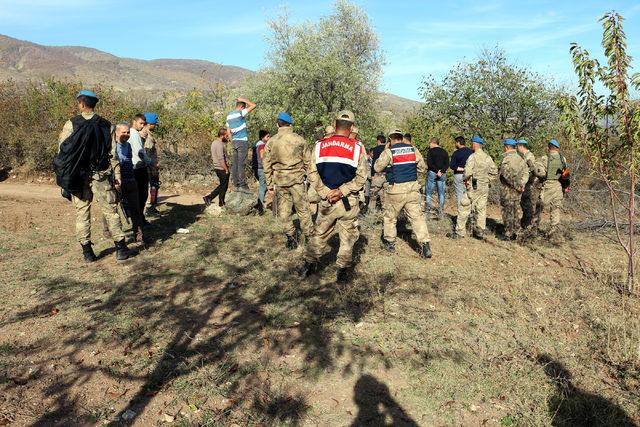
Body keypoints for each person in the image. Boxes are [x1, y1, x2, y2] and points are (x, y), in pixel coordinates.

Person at [56, 90, 132, 261]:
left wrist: (65, 179)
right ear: (94, 104)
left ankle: (87, 253)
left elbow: (62, 152)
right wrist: (117, 175)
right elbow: (113, 154)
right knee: (111, 211)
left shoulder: (71, 124)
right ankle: (120, 248)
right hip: (102, 176)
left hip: (79, 177)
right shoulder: (106, 125)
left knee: (82, 213)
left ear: (82, 104)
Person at [300, 110, 367, 282]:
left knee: (320, 233)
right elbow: (361, 178)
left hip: (327, 201)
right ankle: (343, 271)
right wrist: (342, 191)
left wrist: (325, 192)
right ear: (351, 127)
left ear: (334, 124)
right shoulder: (357, 148)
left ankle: (308, 265)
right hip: (348, 202)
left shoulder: (320, 145)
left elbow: (311, 172)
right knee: (348, 236)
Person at [374, 130, 432, 258]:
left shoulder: (390, 151)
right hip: (412, 189)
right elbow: (422, 168)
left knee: (390, 217)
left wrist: (385, 151)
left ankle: (389, 243)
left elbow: (377, 167)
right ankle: (425, 244)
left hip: (396, 190)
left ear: (390, 139)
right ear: (401, 138)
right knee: (417, 217)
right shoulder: (413, 149)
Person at [262, 112, 314, 249]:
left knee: (284, 212)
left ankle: (291, 237)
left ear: (277, 124)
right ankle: (308, 236)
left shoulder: (271, 142)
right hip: (297, 181)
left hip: (280, 181)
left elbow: (266, 165)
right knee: (303, 210)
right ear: (290, 124)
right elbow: (309, 162)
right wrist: (312, 180)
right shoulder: (299, 140)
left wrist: (269, 185)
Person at [448, 136, 498, 240]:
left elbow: (467, 172)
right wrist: (487, 180)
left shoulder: (473, 157)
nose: (471, 145)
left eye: (472, 144)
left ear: (475, 144)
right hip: (484, 187)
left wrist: (466, 180)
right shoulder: (487, 157)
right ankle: (480, 231)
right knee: (481, 209)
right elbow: (494, 172)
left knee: (464, 206)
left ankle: (460, 232)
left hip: (474, 185)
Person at [111, 123, 145, 242]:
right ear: (116, 132)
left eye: (128, 132)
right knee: (112, 208)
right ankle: (108, 230)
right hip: (116, 182)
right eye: (123, 132)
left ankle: (138, 234)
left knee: (135, 208)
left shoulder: (129, 145)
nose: (126, 135)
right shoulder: (112, 147)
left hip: (130, 180)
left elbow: (129, 162)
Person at [533, 139, 565, 237]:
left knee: (539, 206)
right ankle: (554, 230)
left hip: (548, 185)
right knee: (555, 208)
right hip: (559, 186)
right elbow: (564, 172)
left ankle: (534, 227)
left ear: (548, 148)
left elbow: (541, 173)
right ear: (557, 148)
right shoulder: (563, 158)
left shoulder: (544, 158)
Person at [498, 139, 529, 241]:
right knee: (516, 210)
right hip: (518, 190)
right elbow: (526, 173)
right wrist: (522, 184)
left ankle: (508, 233)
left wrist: (516, 185)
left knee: (507, 211)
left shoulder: (506, 159)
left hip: (508, 189)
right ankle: (516, 232)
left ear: (506, 147)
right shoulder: (521, 159)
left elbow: (505, 174)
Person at [129, 113, 156, 225]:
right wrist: (151, 163)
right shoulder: (134, 134)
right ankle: (139, 220)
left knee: (142, 195)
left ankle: (140, 218)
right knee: (141, 195)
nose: (142, 126)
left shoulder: (135, 133)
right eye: (140, 123)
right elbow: (140, 152)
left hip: (137, 167)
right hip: (137, 168)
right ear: (134, 121)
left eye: (143, 124)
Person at [225, 97, 257, 191]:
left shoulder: (229, 116)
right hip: (242, 141)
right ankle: (242, 184)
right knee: (241, 163)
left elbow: (228, 131)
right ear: (242, 107)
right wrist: (243, 99)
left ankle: (236, 183)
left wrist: (233, 141)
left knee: (235, 163)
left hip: (234, 141)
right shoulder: (240, 113)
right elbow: (254, 105)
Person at [203, 128, 230, 207]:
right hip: (221, 168)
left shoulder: (215, 142)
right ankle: (220, 203)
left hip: (218, 167)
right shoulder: (219, 144)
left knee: (223, 185)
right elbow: (221, 159)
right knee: (223, 186)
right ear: (222, 135)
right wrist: (226, 169)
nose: (227, 137)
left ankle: (210, 198)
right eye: (226, 136)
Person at [425, 137, 449, 218]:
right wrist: (441, 171)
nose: (429, 145)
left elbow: (429, 164)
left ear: (433, 143)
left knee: (428, 193)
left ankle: (427, 212)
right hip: (442, 174)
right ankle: (441, 212)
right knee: (441, 193)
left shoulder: (431, 151)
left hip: (432, 173)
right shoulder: (444, 152)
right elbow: (447, 164)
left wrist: (436, 171)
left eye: (430, 143)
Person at [516, 139, 538, 229]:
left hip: (529, 184)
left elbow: (532, 172)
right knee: (524, 205)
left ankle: (528, 225)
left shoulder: (529, 157)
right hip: (526, 184)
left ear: (521, 146)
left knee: (527, 206)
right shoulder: (525, 156)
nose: (517, 148)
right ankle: (525, 224)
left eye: (517, 146)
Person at [142, 112, 161, 217]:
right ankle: (149, 209)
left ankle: (150, 208)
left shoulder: (147, 134)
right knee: (153, 187)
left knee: (153, 187)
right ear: (150, 124)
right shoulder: (148, 136)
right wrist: (153, 166)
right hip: (149, 167)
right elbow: (147, 153)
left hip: (151, 166)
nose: (155, 126)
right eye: (154, 123)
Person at [449, 136, 473, 209]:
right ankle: (471, 213)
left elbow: (452, 166)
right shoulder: (471, 151)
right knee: (471, 194)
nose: (455, 144)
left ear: (458, 143)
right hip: (470, 175)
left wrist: (461, 169)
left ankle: (461, 212)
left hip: (459, 175)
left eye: (456, 143)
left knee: (460, 195)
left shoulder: (456, 153)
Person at [368, 134, 387, 211]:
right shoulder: (388, 149)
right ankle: (384, 211)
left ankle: (371, 212)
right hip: (387, 175)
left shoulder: (376, 149)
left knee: (373, 195)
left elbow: (374, 163)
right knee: (384, 196)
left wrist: (372, 174)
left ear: (378, 141)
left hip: (378, 174)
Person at [253, 130, 271, 212]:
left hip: (257, 168)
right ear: (262, 137)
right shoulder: (261, 145)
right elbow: (262, 156)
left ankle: (258, 203)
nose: (269, 138)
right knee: (263, 186)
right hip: (261, 168)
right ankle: (260, 207)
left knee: (265, 186)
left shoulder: (256, 145)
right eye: (267, 136)